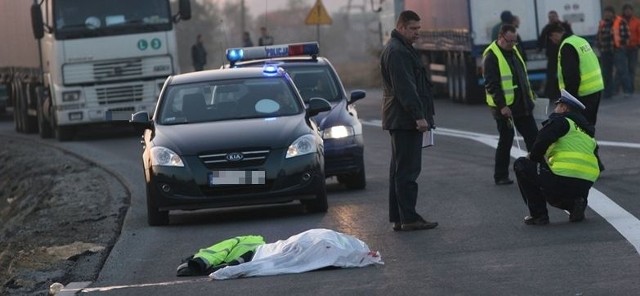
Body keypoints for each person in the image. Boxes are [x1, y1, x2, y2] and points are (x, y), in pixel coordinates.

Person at [380, 10, 437, 231]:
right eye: (413, 29)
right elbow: (406, 88)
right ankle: (409, 218)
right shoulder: (397, 52)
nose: (417, 33)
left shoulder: (400, 48)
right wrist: (419, 116)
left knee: (399, 171)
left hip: (400, 119)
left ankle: (400, 217)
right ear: (401, 27)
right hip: (405, 120)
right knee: (407, 171)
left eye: (418, 29)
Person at [513, 89, 600, 225]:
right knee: (555, 187)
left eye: (558, 106)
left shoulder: (561, 121)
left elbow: (541, 140)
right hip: (586, 184)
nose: (555, 109)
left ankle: (539, 215)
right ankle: (575, 204)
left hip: (563, 178)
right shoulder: (586, 132)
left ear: (564, 108)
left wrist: (532, 158)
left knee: (521, 165)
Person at [483, 24, 539, 185]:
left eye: (515, 41)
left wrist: (531, 96)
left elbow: (523, 76)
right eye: (509, 41)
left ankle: (537, 171)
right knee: (506, 140)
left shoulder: (514, 50)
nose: (513, 44)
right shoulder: (491, 56)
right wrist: (502, 106)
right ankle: (500, 175)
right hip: (504, 108)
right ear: (501, 37)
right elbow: (492, 85)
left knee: (534, 138)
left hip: (522, 104)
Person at [547, 23, 604, 126]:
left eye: (551, 39)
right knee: (589, 126)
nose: (553, 42)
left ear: (554, 34)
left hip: (582, 93)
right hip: (595, 89)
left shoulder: (567, 46)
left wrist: (568, 100)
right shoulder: (579, 40)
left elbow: (572, 76)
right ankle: (590, 142)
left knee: (581, 128)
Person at [538, 10, 573, 100]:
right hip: (552, 55)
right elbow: (541, 39)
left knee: (566, 73)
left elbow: (571, 35)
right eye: (550, 17)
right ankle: (551, 94)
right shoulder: (547, 28)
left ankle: (567, 92)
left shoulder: (564, 26)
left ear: (557, 16)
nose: (552, 19)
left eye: (553, 17)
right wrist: (540, 49)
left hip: (564, 53)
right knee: (551, 75)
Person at [612, 4, 640, 96]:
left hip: (633, 47)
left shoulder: (636, 21)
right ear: (623, 11)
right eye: (626, 10)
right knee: (622, 69)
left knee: (632, 68)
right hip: (622, 48)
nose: (628, 12)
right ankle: (618, 89)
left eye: (629, 10)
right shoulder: (619, 21)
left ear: (632, 11)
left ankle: (630, 89)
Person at [597, 6, 616, 98]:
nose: (607, 14)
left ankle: (614, 90)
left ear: (613, 13)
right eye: (606, 13)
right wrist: (598, 46)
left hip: (615, 51)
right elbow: (598, 36)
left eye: (609, 12)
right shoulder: (602, 23)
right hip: (604, 51)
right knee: (605, 72)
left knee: (617, 71)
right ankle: (607, 92)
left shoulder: (616, 23)